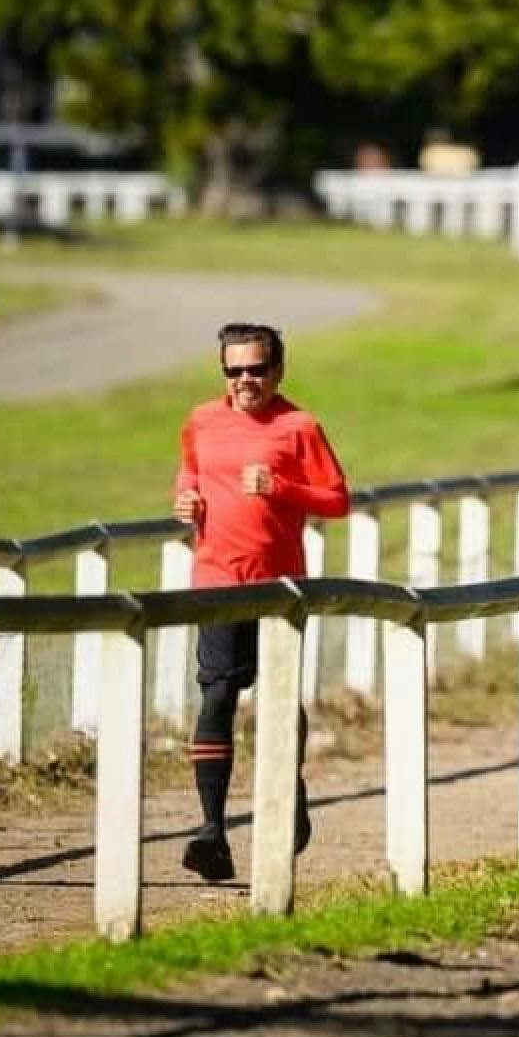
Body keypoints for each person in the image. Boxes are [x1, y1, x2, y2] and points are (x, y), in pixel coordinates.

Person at [171, 323, 351, 881]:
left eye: (255, 370)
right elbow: (191, 470)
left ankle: (287, 788)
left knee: (276, 698)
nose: (244, 380)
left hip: (280, 586)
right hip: (217, 577)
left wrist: (281, 488)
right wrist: (186, 499)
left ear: (277, 371)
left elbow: (338, 500)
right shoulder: (202, 419)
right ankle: (211, 833)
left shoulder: (299, 427)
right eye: (234, 370)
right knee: (217, 696)